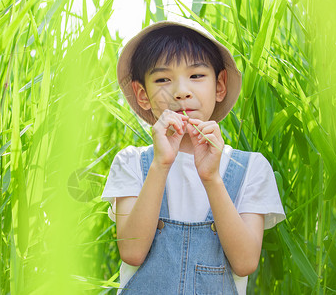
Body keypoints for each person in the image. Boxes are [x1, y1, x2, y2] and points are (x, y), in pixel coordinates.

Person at [101, 18, 285, 294]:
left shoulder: (251, 168)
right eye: (163, 79)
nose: (181, 91)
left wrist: (211, 177)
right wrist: (161, 164)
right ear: (142, 95)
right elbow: (132, 251)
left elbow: (245, 262)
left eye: (196, 76)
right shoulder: (131, 163)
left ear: (220, 85)